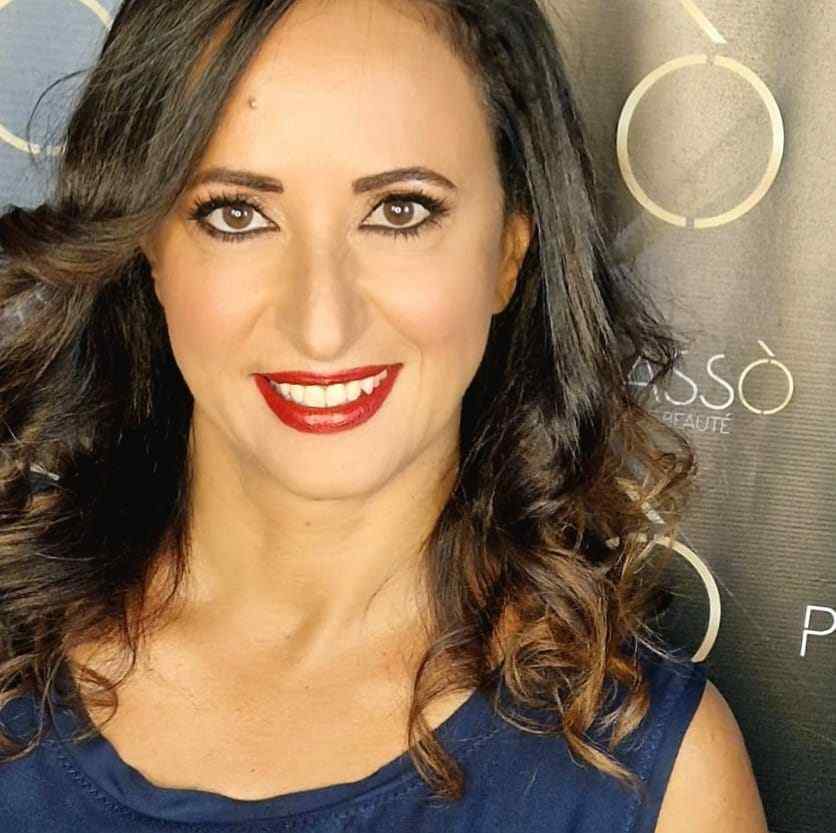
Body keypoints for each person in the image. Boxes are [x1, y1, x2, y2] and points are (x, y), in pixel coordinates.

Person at [0, 0, 768, 830]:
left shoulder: (649, 776)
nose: (321, 324)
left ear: (510, 250)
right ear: (148, 245)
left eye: (400, 210)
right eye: (236, 213)